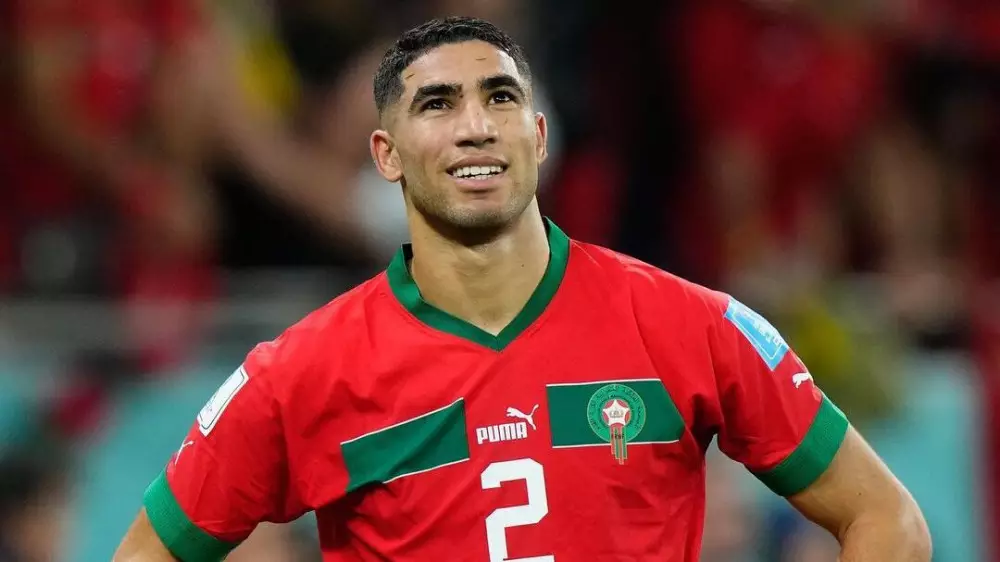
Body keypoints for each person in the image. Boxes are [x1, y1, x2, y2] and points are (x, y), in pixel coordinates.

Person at [113, 16, 931, 561]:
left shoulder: (691, 324)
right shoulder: (301, 371)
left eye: (500, 98)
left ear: (538, 137)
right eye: (437, 104)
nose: (475, 125)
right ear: (386, 154)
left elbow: (886, 519)